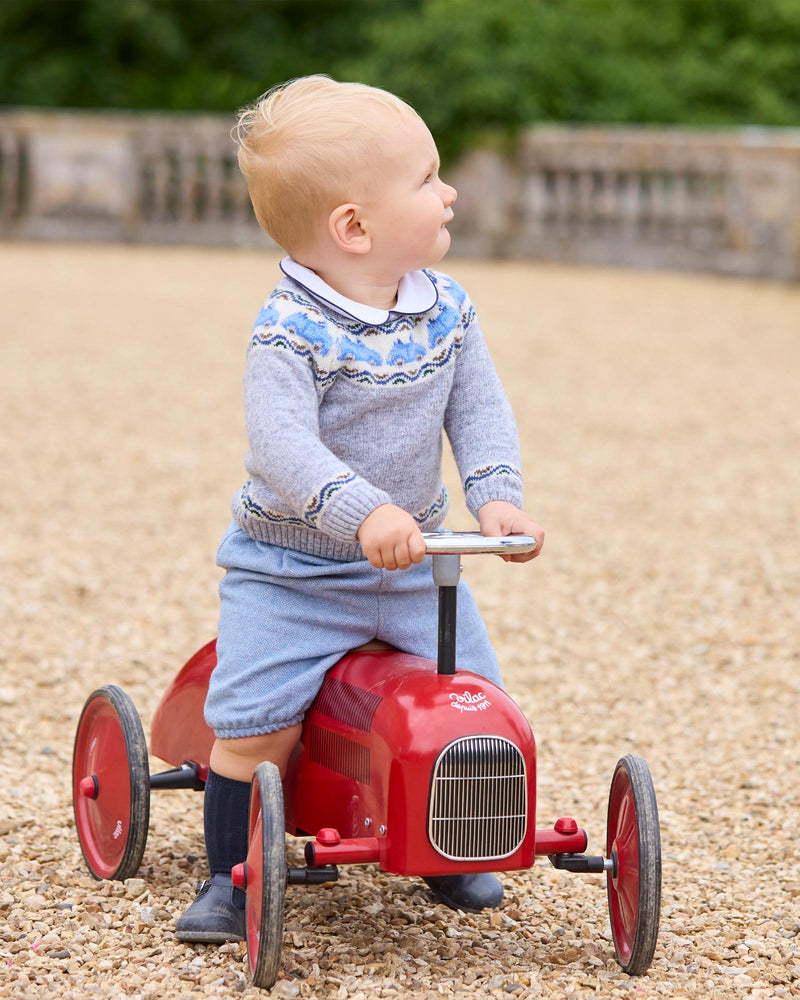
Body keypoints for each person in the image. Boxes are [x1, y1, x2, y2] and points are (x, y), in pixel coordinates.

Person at [175, 75, 544, 943]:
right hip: (296, 568)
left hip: (414, 562)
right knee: (254, 722)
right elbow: (284, 447)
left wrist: (496, 499)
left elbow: (479, 407)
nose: (448, 191)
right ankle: (231, 878)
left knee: (472, 698)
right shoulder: (288, 330)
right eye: (427, 178)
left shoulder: (445, 308)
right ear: (354, 226)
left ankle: (451, 844)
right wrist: (362, 512)